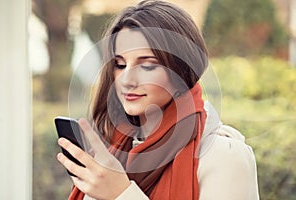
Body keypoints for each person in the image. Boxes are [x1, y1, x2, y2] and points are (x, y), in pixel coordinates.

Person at [57, 0, 260, 199]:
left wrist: (121, 193)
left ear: (181, 69)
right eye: (120, 65)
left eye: (147, 66)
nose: (127, 80)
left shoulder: (224, 157)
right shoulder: (115, 152)